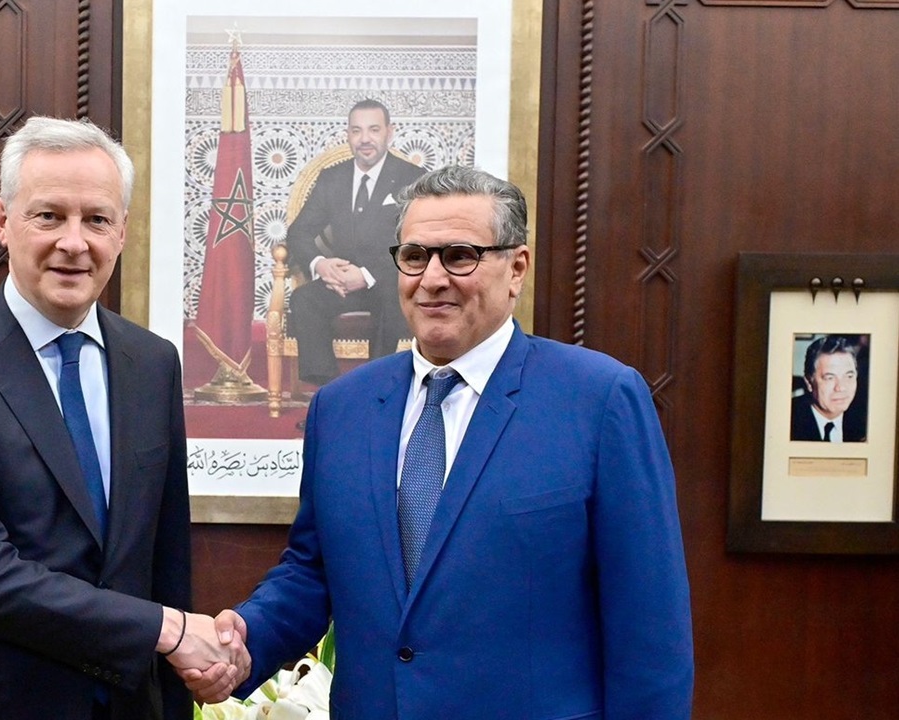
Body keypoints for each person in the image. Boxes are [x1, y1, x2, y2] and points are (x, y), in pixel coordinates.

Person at [187, 166, 694, 718]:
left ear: (516, 267)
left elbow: (650, 624)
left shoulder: (599, 399)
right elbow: (314, 570)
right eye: (414, 256)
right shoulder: (342, 408)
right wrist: (247, 637)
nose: (431, 278)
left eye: (459, 256)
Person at [0, 116, 246, 720]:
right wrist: (169, 630)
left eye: (96, 219)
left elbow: (165, 560)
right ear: (3, 220)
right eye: (49, 216)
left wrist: (187, 671)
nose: (74, 243)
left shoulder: (153, 363)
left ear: (122, 231)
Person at [285, 98, 425, 386]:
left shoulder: (412, 178)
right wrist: (321, 265)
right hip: (342, 283)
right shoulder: (332, 178)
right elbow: (298, 232)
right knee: (304, 299)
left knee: (391, 300)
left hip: (389, 281)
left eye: (374, 129)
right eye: (356, 130)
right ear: (347, 134)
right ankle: (327, 389)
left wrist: (366, 275)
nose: (365, 139)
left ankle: (377, 390)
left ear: (389, 132)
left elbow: (418, 244)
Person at [790, 334, 866, 442]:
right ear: (809, 383)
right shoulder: (788, 421)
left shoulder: (866, 421)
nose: (840, 388)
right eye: (829, 378)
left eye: (849, 376)